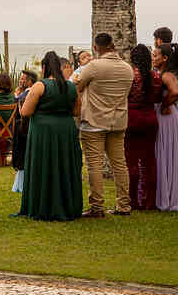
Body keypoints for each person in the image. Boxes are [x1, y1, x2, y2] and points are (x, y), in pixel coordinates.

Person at [17, 51, 83, 221]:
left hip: (43, 131)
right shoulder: (71, 87)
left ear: (45, 67)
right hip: (66, 130)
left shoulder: (40, 86)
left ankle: (43, 206)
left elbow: (26, 111)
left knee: (44, 165)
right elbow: (76, 111)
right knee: (64, 165)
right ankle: (68, 205)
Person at [76, 33, 134, 217]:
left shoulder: (93, 66)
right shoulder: (127, 68)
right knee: (120, 164)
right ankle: (124, 205)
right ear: (113, 45)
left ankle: (96, 207)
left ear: (96, 47)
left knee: (94, 165)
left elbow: (77, 87)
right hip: (118, 121)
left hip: (94, 121)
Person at [125, 44, 161, 210]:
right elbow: (158, 97)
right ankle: (149, 200)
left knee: (131, 161)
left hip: (132, 118)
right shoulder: (155, 76)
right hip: (150, 118)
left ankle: (133, 200)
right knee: (149, 161)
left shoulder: (130, 76)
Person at [155, 43, 178, 211]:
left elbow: (175, 92)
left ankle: (168, 195)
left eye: (155, 56)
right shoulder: (161, 73)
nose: (152, 58)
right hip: (166, 115)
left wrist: (164, 104)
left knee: (166, 151)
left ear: (165, 58)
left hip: (166, 116)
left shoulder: (167, 75)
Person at [11, 70, 39, 193]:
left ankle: (22, 183)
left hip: (23, 130)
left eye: (23, 79)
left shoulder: (27, 95)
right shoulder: (23, 94)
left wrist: (16, 97)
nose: (20, 81)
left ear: (29, 81)